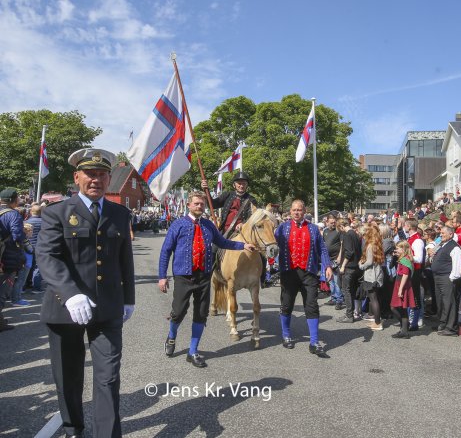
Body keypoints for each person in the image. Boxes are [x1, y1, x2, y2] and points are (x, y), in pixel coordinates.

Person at [37, 148, 135, 438]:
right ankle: (73, 428)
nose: (97, 180)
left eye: (102, 174)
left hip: (107, 309)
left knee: (108, 378)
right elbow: (47, 256)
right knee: (69, 377)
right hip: (64, 308)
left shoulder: (120, 213)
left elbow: (124, 259)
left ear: (108, 179)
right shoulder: (57, 212)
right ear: (76, 177)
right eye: (90, 174)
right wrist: (69, 294)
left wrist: (129, 297)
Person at [158, 191, 255, 367]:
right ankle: (172, 337)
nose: (199, 207)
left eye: (202, 204)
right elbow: (165, 251)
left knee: (201, 314)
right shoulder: (178, 225)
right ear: (189, 205)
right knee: (178, 311)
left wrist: (243, 245)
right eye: (196, 204)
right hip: (183, 275)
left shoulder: (209, 226)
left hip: (204, 275)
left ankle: (193, 351)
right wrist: (162, 277)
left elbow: (223, 243)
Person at [275, 200, 332, 357]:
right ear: (290, 211)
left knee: (311, 305)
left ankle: (314, 342)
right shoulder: (282, 228)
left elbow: (322, 248)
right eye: (294, 210)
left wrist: (327, 266)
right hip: (289, 272)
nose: (297, 212)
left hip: (309, 273)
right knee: (287, 305)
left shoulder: (313, 229)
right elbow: (270, 243)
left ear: (304, 211)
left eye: (299, 210)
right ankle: (286, 335)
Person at [0, 188, 28, 331]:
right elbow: (17, 236)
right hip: (7, 256)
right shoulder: (13, 215)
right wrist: (25, 234)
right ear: (14, 200)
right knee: (3, 289)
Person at [431, 226, 461, 336]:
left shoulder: (455, 247)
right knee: (440, 301)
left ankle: (451, 327)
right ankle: (443, 323)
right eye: (440, 233)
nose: (441, 235)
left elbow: (457, 266)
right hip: (438, 276)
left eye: (443, 233)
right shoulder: (441, 245)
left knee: (449, 302)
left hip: (446, 277)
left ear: (451, 234)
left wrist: (451, 278)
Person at [359, 225, 385, 331]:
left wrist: (361, 265)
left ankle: (378, 323)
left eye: (365, 234)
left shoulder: (370, 245)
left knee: (373, 299)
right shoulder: (377, 244)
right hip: (377, 273)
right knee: (374, 298)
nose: (363, 236)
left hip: (371, 276)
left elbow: (369, 262)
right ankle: (376, 321)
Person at [337, 219, 363, 322]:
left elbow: (349, 252)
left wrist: (343, 266)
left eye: (340, 229)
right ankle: (350, 313)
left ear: (342, 226)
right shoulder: (354, 233)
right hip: (355, 266)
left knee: (346, 290)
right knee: (351, 290)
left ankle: (349, 315)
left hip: (349, 267)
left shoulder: (348, 235)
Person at [390, 241, 414, 339]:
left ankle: (404, 326)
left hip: (402, 285)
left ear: (404, 249)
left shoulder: (405, 260)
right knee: (401, 308)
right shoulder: (401, 258)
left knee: (395, 307)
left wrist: (400, 289)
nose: (396, 250)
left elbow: (405, 275)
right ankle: (404, 328)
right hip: (398, 284)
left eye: (398, 248)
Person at [322, 215, 344, 308]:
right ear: (327, 222)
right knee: (330, 279)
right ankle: (333, 297)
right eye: (331, 222)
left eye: (334, 222)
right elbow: (324, 243)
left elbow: (342, 245)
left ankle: (339, 299)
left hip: (336, 258)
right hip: (328, 259)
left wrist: (339, 256)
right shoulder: (325, 231)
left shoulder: (339, 231)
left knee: (336, 280)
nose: (333, 224)